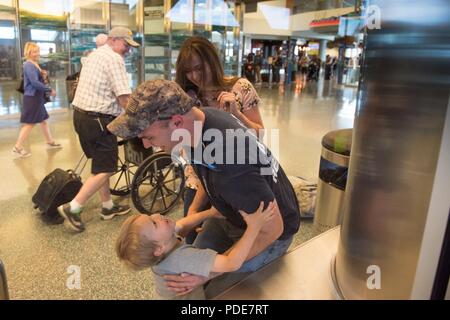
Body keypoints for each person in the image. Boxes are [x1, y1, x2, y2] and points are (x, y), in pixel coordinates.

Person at [107, 79, 301, 297]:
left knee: (217, 293)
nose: (145, 145)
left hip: (270, 234)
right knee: (187, 270)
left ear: (177, 122)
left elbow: (272, 229)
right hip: (230, 215)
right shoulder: (201, 121)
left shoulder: (232, 164)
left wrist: (208, 275)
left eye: (149, 136)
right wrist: (195, 212)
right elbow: (206, 172)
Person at [175, 36, 265, 244]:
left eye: (199, 68)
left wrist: (236, 114)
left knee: (239, 240)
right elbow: (186, 148)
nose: (195, 76)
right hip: (199, 179)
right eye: (188, 71)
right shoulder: (188, 97)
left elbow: (259, 135)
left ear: (212, 61)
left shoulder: (240, 88)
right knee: (193, 238)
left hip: (237, 176)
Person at [57, 27, 140, 232]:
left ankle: (107, 206)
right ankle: (73, 207)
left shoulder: (95, 55)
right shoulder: (114, 59)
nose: (128, 49)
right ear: (113, 40)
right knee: (107, 169)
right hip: (99, 121)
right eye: (126, 44)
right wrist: (140, 116)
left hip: (81, 117)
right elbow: (124, 98)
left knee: (99, 164)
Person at [116, 201, 275, 299]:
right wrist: (254, 227)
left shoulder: (162, 246)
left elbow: (182, 224)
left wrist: (209, 213)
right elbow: (231, 263)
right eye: (154, 223)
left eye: (151, 215)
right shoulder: (183, 258)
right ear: (159, 248)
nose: (157, 214)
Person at [12, 42, 59, 158]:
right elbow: (34, 83)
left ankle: (50, 141)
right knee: (30, 124)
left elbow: (36, 79)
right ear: (28, 53)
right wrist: (49, 90)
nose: (37, 53)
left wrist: (42, 75)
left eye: (37, 51)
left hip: (36, 98)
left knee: (43, 120)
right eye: (34, 52)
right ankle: (17, 147)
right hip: (32, 98)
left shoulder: (34, 63)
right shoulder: (29, 65)